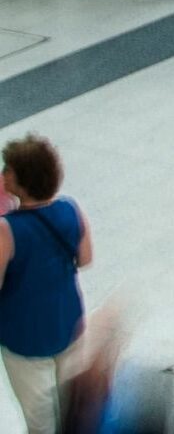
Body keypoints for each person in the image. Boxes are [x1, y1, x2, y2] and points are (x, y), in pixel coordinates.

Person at [0, 136, 89, 434]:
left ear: (22, 180)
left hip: (25, 337)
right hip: (69, 323)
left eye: (8, 170)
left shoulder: (7, 229)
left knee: (41, 422)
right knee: (76, 413)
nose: (2, 174)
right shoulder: (71, 209)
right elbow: (85, 258)